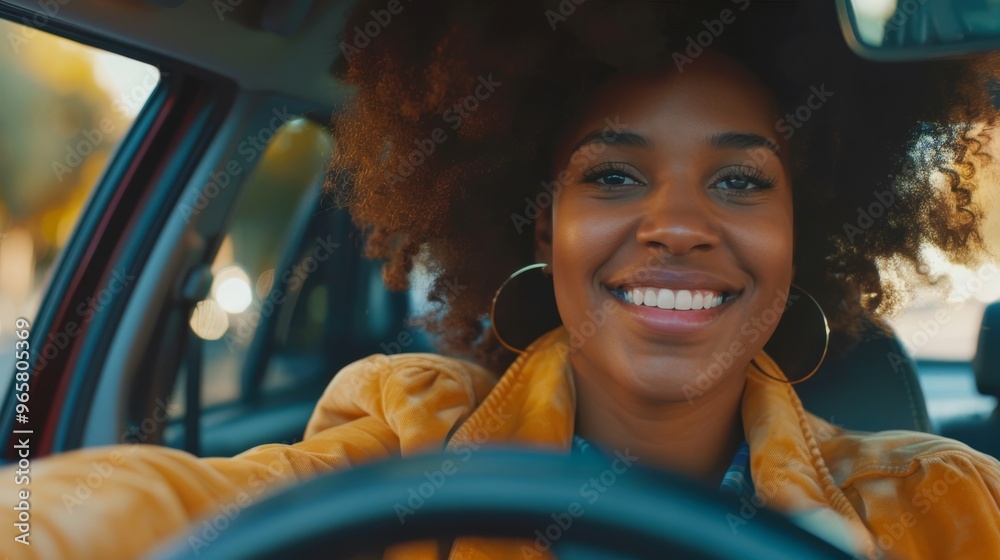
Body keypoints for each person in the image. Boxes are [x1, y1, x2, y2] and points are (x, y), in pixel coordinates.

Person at [5, 1, 1000, 559]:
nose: (679, 227)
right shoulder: (409, 431)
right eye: (612, 173)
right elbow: (154, 511)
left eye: (740, 180)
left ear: (798, 231)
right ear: (541, 223)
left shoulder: (938, 503)